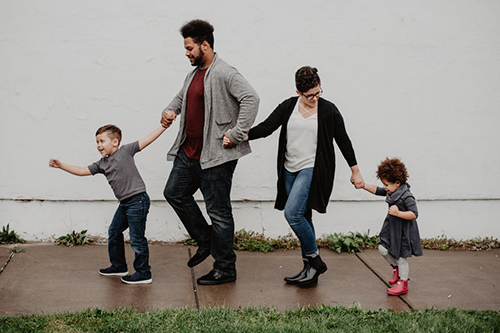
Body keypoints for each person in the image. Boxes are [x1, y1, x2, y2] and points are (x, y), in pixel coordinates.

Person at [224, 66, 364, 286]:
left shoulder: (328, 110)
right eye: (310, 95)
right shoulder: (289, 106)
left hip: (312, 168)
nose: (315, 98)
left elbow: (343, 140)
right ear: (299, 92)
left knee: (293, 214)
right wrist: (239, 136)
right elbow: (267, 127)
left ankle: (315, 261)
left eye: (318, 92)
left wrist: (355, 170)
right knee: (304, 216)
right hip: (289, 169)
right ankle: (309, 271)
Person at [161, 19, 259, 285]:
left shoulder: (225, 72)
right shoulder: (193, 74)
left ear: (205, 45)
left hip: (215, 157)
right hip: (189, 153)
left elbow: (251, 98)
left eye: (190, 48)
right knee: (174, 193)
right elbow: (181, 97)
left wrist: (236, 134)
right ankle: (206, 241)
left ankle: (225, 268)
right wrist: (170, 111)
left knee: (219, 212)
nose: (187, 53)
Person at [49, 123, 168, 284]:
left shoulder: (126, 151)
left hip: (138, 200)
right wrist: (61, 165)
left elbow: (147, 139)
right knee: (114, 232)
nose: (99, 145)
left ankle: (143, 272)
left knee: (136, 238)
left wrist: (163, 127)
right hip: (125, 203)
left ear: (115, 142)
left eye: (102, 141)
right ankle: (119, 266)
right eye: (97, 142)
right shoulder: (102, 164)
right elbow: (82, 170)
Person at [360, 157, 423, 295]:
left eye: (387, 184)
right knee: (383, 248)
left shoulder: (407, 196)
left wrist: (398, 213)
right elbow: (377, 190)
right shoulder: (392, 190)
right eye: (384, 184)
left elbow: (414, 214)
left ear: (397, 182)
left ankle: (403, 283)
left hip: (403, 232)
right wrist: (363, 185)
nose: (385, 187)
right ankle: (395, 269)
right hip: (392, 229)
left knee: (401, 258)